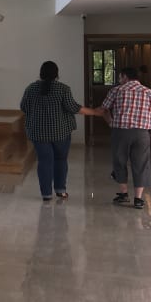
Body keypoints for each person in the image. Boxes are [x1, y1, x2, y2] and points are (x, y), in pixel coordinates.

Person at [19, 61, 97, 201]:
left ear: (41, 73)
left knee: (44, 162)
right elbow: (74, 108)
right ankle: (61, 190)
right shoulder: (63, 89)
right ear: (57, 74)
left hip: (38, 133)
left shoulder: (31, 88)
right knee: (60, 160)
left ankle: (46, 194)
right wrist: (96, 112)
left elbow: (23, 107)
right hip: (61, 132)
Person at [99, 66, 151, 209]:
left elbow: (104, 110)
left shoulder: (116, 90)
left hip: (120, 131)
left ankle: (123, 194)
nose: (119, 80)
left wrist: (111, 122)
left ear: (124, 77)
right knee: (141, 163)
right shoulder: (149, 92)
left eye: (120, 77)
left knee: (119, 161)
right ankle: (138, 199)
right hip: (142, 133)